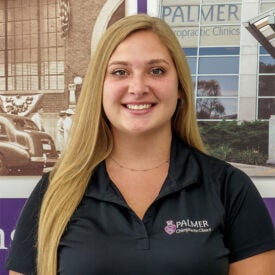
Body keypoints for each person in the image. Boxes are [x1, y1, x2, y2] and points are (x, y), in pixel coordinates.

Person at [5, 14, 275, 275]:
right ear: (99, 87)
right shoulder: (56, 191)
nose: (137, 87)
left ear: (180, 86)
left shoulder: (228, 188)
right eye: (120, 72)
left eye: (156, 70)